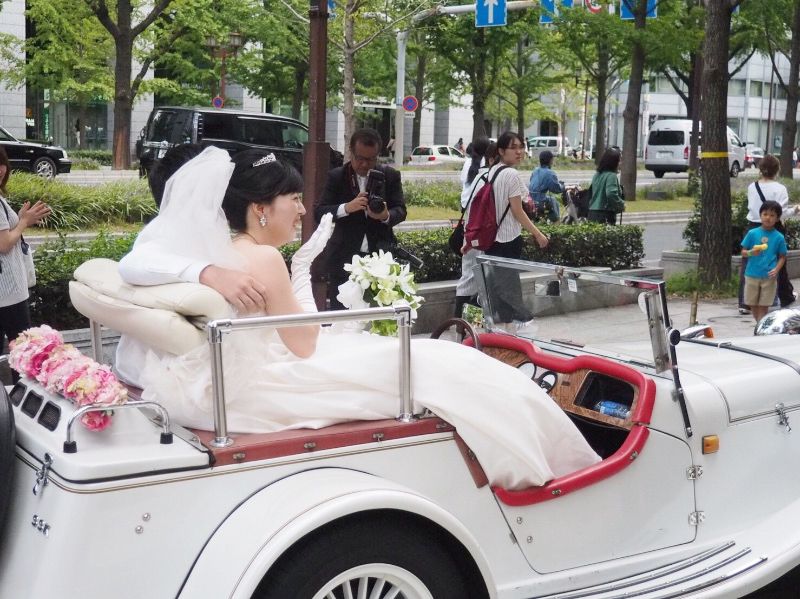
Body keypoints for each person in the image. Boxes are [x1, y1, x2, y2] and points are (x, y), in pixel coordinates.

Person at [124, 146, 600, 490]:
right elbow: (305, 344)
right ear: (260, 209)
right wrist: (301, 273)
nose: (301, 209)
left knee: (429, 360)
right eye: (293, 198)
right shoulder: (263, 259)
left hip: (255, 366)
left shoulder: (222, 252)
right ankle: (557, 460)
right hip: (276, 372)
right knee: (444, 364)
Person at [315, 128, 407, 310]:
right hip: (344, 258)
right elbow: (319, 212)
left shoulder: (390, 176)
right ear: (351, 152)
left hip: (380, 258)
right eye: (359, 159)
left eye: (371, 159)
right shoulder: (337, 176)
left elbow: (401, 210)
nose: (364, 164)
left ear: (378, 155)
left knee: (377, 316)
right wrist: (347, 208)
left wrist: (385, 216)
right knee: (340, 315)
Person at [483, 132, 549, 327]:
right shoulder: (511, 174)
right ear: (501, 151)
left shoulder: (492, 171)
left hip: (491, 238)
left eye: (521, 147)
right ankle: (522, 323)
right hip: (508, 238)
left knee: (500, 287)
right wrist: (538, 234)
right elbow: (517, 211)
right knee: (510, 287)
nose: (519, 152)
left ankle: (506, 329)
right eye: (513, 148)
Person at [0, 146, 50, 380]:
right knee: (21, 354)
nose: (1, 169)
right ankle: (20, 398)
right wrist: (24, 222)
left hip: (7, 292)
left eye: (2, 163)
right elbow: (3, 244)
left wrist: (19, 219)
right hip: (8, 293)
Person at [738, 154, 797, 314]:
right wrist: (795, 210)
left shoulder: (752, 186)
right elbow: (781, 212)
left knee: (748, 262)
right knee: (777, 261)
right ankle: (785, 296)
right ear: (777, 170)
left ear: (760, 169)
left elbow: (752, 207)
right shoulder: (780, 189)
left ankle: (744, 302)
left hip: (753, 226)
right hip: (773, 228)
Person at [454, 137, 491, 317]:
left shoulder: (469, 164)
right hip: (477, 223)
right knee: (475, 272)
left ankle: (460, 321)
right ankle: (463, 319)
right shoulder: (486, 172)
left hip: (469, 217)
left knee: (469, 271)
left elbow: (464, 187)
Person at [741, 200, 787, 324]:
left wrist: (776, 269)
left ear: (777, 218)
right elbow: (743, 252)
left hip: (769, 276)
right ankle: (760, 325)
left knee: (764, 305)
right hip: (752, 274)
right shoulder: (752, 233)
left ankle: (760, 327)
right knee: (752, 303)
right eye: (765, 214)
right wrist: (751, 252)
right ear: (760, 215)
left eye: (772, 215)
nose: (768, 218)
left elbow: (782, 256)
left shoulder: (779, 237)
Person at [588, 147, 625, 224]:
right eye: (619, 160)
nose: (621, 163)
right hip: (605, 214)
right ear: (613, 162)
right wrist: (621, 204)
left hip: (592, 213)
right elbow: (611, 194)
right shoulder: (611, 176)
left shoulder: (597, 175)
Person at [527, 150, 563, 223]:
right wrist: (563, 186)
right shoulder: (550, 173)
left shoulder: (535, 170)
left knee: (550, 199)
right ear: (550, 161)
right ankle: (557, 223)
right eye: (552, 159)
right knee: (554, 202)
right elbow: (556, 190)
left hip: (530, 199)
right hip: (540, 201)